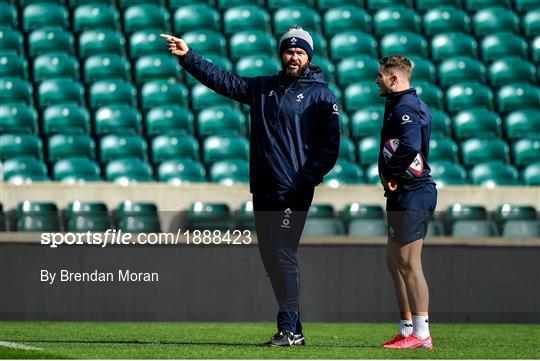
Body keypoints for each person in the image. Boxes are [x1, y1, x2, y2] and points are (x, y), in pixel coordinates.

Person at [161, 26, 340, 347]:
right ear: (281, 53)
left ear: (309, 56)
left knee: (283, 255)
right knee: (271, 258)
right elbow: (225, 82)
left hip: (293, 191)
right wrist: (189, 57)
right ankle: (294, 330)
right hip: (264, 188)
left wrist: (306, 178)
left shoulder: (321, 94)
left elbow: (330, 146)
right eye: (289, 51)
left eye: (300, 52)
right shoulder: (265, 88)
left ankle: (288, 329)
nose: (294, 56)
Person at [375, 55, 437, 350]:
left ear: (394, 79)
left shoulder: (407, 108)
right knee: (393, 261)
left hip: (415, 192)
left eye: (380, 75)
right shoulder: (399, 105)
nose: (377, 80)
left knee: (410, 263)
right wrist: (388, 175)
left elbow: (411, 148)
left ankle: (422, 334)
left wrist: (392, 171)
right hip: (402, 192)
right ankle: (406, 327)